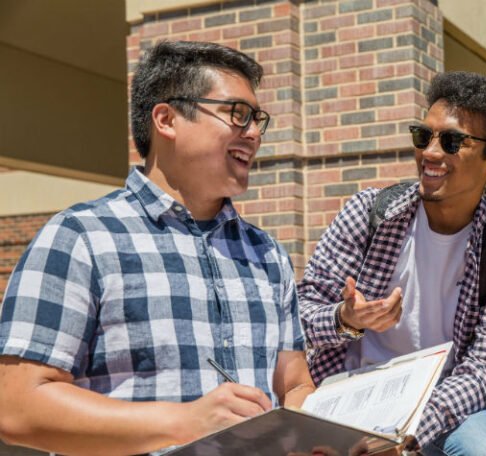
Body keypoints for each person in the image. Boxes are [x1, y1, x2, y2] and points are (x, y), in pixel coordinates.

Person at [0, 40, 315, 455]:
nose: (254, 132)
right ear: (166, 119)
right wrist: (185, 422)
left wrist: (324, 433)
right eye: (237, 114)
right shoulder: (81, 237)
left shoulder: (267, 254)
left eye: (257, 118)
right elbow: (16, 406)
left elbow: (294, 384)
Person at [299, 71, 486, 455]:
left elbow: (484, 371)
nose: (429, 153)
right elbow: (300, 319)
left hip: (449, 404)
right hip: (350, 392)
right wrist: (347, 319)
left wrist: (405, 436)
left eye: (451, 141)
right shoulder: (368, 213)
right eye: (423, 136)